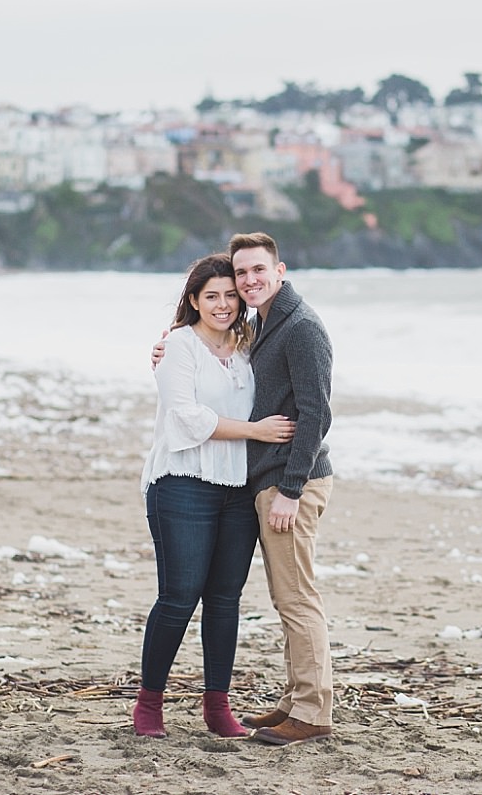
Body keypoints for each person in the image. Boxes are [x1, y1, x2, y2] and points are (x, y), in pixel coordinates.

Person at [154, 232, 336, 746]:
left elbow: (317, 414)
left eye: (259, 271)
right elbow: (213, 364)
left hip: (289, 481)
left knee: (297, 598)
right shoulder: (260, 325)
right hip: (267, 478)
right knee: (287, 597)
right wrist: (168, 350)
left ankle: (312, 712)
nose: (249, 281)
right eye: (241, 274)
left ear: (280, 271)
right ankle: (295, 700)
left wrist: (291, 489)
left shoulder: (301, 328)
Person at [134, 253, 296, 739]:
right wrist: (256, 431)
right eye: (212, 296)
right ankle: (149, 704)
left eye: (231, 294)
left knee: (225, 600)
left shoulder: (251, 345)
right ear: (193, 301)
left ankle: (217, 707)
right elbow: (186, 418)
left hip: (237, 488)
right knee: (179, 597)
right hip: (181, 483)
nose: (224, 304)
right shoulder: (179, 346)